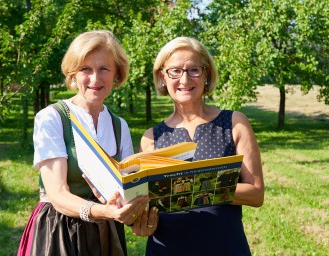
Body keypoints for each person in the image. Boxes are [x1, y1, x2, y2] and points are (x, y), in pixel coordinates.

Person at [17, 30, 149, 256]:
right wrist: (103, 212)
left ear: (117, 74)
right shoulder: (53, 118)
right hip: (58, 231)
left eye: (104, 69)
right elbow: (58, 194)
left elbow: (126, 189)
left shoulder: (120, 126)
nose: (95, 79)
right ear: (73, 74)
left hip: (106, 233)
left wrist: (134, 212)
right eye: (85, 69)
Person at [132, 36, 264, 255]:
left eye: (194, 70)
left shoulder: (234, 123)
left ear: (206, 75)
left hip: (224, 247)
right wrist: (140, 221)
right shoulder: (151, 138)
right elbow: (148, 205)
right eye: (174, 71)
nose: (184, 80)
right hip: (167, 249)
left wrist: (192, 185)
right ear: (162, 77)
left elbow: (256, 193)